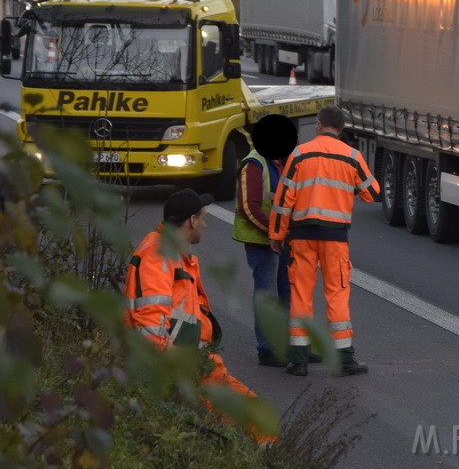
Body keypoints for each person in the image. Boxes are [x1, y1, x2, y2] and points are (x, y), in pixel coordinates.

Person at [123, 188, 275, 444]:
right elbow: (152, 328)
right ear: (191, 220)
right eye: (203, 217)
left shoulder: (171, 254)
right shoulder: (160, 256)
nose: (205, 224)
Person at [270, 105, 380, 377]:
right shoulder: (352, 156)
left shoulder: (299, 154)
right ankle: (343, 360)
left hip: (302, 237)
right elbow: (372, 192)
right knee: (337, 294)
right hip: (335, 238)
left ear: (319, 125)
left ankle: (299, 360)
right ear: (341, 129)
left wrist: (276, 235)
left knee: (300, 296)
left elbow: (283, 202)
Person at [233, 114, 296, 368]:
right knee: (267, 294)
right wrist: (275, 233)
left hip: (282, 241)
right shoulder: (254, 164)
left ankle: (293, 345)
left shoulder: (284, 161)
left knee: (289, 293)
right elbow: (249, 208)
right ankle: (267, 348)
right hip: (262, 244)